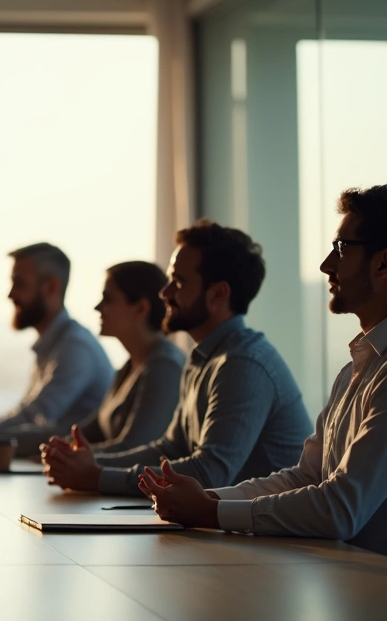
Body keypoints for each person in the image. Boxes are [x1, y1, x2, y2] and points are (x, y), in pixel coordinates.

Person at [140, 186, 387, 554]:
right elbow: (306, 477)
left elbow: (340, 508)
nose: (325, 265)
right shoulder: (357, 367)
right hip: (340, 571)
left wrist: (211, 510)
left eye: (340, 249)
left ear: (382, 263)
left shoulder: (245, 362)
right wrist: (208, 500)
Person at [42, 220, 313, 496]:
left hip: (269, 525)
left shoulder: (242, 364)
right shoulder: (204, 358)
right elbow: (169, 449)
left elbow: (209, 473)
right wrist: (89, 466)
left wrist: (97, 476)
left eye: (179, 282)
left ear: (218, 294)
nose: (165, 293)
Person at [0, 243, 113, 457]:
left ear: (51, 287)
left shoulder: (76, 347)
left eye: (19, 283)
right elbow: (27, 414)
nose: (10, 294)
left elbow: (37, 417)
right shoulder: (57, 344)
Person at [74, 261, 185, 453]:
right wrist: (58, 447)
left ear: (140, 308)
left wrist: (70, 456)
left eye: (107, 299)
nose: (97, 307)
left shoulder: (165, 367)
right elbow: (89, 432)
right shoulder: (131, 365)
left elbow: (134, 448)